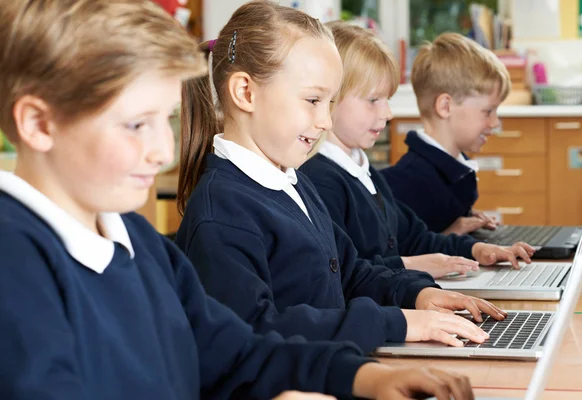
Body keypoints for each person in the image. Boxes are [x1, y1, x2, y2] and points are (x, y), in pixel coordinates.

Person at [0, 1, 474, 399]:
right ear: (39, 125)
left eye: (163, 120)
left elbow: (235, 351)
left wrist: (361, 376)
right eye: (135, 124)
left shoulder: (137, 240)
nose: (163, 150)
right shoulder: (15, 266)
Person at [176, 0, 506, 358]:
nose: (326, 122)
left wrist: (417, 294)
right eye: (313, 100)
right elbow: (256, 333)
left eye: (330, 103)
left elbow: (350, 273)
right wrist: (397, 323)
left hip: (339, 364)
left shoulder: (293, 183)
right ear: (245, 93)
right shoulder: (222, 213)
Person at [299, 22, 534, 279]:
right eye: (373, 101)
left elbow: (416, 238)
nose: (387, 113)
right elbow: (345, 274)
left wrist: (477, 249)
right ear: (329, 98)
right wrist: (411, 265)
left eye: (387, 100)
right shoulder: (319, 181)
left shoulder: (367, 175)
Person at [381, 32, 512, 235]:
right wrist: (448, 236)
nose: (495, 122)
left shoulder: (454, 169)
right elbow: (395, 255)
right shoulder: (406, 184)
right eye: (488, 111)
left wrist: (467, 221)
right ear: (445, 106)